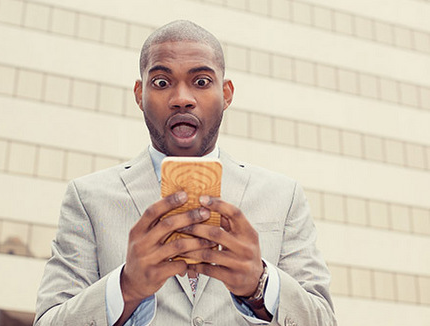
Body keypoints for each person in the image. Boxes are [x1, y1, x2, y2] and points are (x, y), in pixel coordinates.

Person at [34, 20, 336, 326]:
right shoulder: (87, 198)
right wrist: (126, 288)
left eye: (202, 82)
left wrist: (261, 286)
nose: (181, 98)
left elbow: (324, 320)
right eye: (162, 83)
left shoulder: (284, 196)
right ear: (139, 94)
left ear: (226, 93)